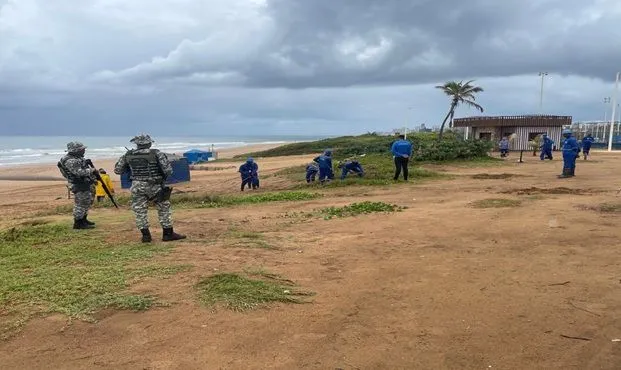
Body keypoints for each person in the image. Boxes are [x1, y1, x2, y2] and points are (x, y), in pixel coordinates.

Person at [114, 134, 186, 243]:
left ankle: (146, 236)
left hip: (137, 186)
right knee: (163, 208)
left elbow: (118, 170)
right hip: (155, 185)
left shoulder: (127, 155)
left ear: (137, 144)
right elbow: (168, 170)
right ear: (149, 143)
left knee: (140, 211)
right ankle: (168, 234)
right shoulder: (157, 153)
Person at [57, 142, 98, 230]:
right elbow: (78, 172)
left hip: (83, 183)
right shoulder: (70, 160)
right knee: (80, 204)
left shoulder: (76, 158)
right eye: (82, 149)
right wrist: (91, 170)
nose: (84, 150)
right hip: (78, 184)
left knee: (86, 202)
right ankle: (78, 223)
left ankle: (83, 220)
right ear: (76, 150)